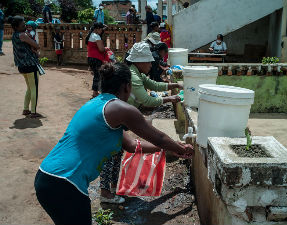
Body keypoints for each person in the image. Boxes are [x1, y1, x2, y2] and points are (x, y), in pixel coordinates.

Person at [34, 62, 194, 224]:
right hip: (66, 184)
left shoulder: (97, 105)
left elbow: (131, 145)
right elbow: (158, 138)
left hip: (46, 177)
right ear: (127, 86)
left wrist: (169, 150)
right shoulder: (121, 109)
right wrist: (181, 147)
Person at [126, 42, 182, 109]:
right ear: (139, 62)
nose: (150, 65)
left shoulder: (138, 73)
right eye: (148, 62)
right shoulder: (134, 77)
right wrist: (169, 99)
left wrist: (176, 85)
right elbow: (147, 101)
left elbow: (154, 85)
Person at [9, 16, 41, 118]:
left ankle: (26, 109)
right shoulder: (23, 35)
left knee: (29, 87)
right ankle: (33, 111)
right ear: (17, 27)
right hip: (30, 65)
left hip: (21, 66)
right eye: (23, 25)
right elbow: (37, 46)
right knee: (34, 88)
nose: (25, 27)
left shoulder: (14, 35)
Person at [86, 22, 108, 99]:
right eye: (101, 29)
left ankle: (95, 92)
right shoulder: (96, 37)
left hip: (90, 57)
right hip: (96, 58)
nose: (102, 31)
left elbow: (104, 28)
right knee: (98, 75)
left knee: (97, 75)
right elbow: (101, 49)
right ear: (97, 29)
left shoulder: (90, 35)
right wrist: (105, 48)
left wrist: (102, 27)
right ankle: (95, 93)